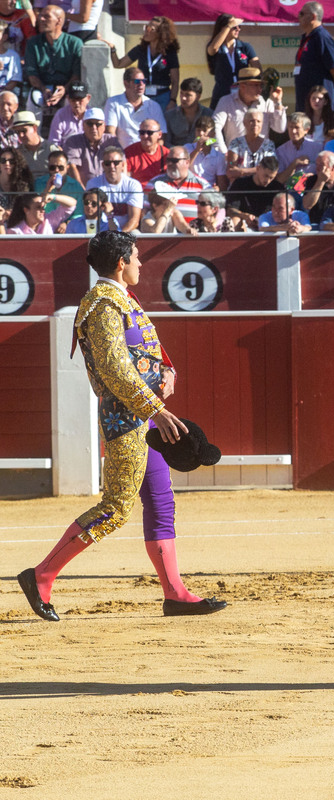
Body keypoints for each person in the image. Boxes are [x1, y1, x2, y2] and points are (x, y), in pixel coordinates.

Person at [16, 231, 224, 624]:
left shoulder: (122, 300)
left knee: (161, 501)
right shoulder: (102, 305)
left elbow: (147, 351)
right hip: (126, 421)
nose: (141, 263)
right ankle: (41, 576)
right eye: (137, 257)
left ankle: (175, 593)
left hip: (142, 416)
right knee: (115, 508)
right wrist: (155, 409)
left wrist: (169, 372)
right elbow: (114, 368)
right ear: (120, 263)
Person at [25, 5, 80, 131]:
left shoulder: (74, 43)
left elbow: (77, 74)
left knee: (71, 101)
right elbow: (32, 74)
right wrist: (43, 88)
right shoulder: (33, 43)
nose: (41, 19)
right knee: (35, 99)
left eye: (46, 16)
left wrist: (64, 89)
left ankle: (67, 141)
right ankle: (34, 137)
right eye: (41, 16)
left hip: (66, 87)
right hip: (42, 86)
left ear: (59, 20)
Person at [106, 16, 180, 112]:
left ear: (160, 33)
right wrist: (112, 49)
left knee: (162, 126)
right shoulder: (141, 49)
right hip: (144, 96)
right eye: (146, 27)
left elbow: (175, 81)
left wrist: (172, 101)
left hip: (163, 96)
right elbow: (119, 64)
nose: (146, 31)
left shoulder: (169, 52)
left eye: (150, 29)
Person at [211, 67, 287, 153]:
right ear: (243, 86)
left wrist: (278, 102)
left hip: (261, 160)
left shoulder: (267, 103)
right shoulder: (226, 102)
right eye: (256, 85)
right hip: (235, 159)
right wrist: (224, 152)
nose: (260, 89)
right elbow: (214, 127)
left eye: (261, 85)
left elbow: (280, 128)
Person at [295, 2, 334, 110]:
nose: (299, 16)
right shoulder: (307, 37)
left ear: (313, 16)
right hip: (304, 100)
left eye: (302, 13)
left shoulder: (322, 37)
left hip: (318, 104)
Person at [105, 67, 168, 150]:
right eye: (137, 81)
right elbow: (110, 132)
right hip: (123, 155)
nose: (141, 84)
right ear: (126, 83)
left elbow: (161, 135)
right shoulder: (113, 102)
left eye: (144, 81)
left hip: (148, 155)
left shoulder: (154, 106)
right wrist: (118, 156)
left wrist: (154, 155)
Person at [206, 14, 259, 107]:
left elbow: (258, 71)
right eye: (234, 27)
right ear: (223, 28)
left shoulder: (245, 47)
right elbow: (212, 50)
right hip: (221, 94)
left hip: (242, 94)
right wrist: (229, 26)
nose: (238, 29)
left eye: (239, 26)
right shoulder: (216, 47)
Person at [86, 146, 142, 231]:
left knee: (136, 234)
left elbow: (134, 220)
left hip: (126, 232)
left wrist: (118, 237)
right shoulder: (93, 184)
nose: (112, 166)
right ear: (103, 165)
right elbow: (90, 215)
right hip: (101, 231)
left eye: (116, 163)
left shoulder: (133, 185)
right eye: (108, 163)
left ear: (123, 165)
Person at [148, 145, 208, 225]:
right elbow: (144, 210)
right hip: (164, 234)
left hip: (193, 233)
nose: (169, 163)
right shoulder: (154, 183)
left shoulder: (202, 184)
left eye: (174, 160)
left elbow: (215, 209)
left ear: (187, 162)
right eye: (168, 160)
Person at [64, 107, 116, 186]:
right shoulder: (73, 141)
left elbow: (122, 164)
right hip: (82, 190)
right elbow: (72, 167)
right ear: (83, 125)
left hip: (108, 189)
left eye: (98, 124)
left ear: (104, 126)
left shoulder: (112, 141)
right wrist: (82, 192)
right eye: (90, 124)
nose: (94, 128)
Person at [226, 156, 283, 228]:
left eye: (271, 178)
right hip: (246, 225)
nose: (268, 181)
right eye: (266, 176)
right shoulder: (240, 183)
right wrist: (244, 216)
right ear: (258, 168)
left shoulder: (277, 188)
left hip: (270, 226)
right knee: (235, 220)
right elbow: (230, 210)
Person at [299, 150, 334, 225]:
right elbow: (307, 205)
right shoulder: (312, 180)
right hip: (317, 223)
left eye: (321, 165)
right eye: (317, 164)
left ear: (333, 167)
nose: (317, 168)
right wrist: (320, 182)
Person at [164, 77, 213, 147]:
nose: (183, 98)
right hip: (177, 155)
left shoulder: (209, 115)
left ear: (198, 96)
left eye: (188, 95)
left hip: (202, 154)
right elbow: (166, 143)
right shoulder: (169, 116)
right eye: (181, 93)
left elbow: (215, 140)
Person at [276, 112, 322, 183]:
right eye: (291, 127)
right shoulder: (281, 151)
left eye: (297, 127)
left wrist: (313, 177)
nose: (293, 131)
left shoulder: (317, 148)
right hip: (288, 191)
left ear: (306, 130)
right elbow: (279, 180)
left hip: (311, 189)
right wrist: (294, 164)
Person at [12, 110, 52, 180]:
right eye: (18, 132)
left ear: (34, 128)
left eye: (24, 131)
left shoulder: (51, 149)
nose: (21, 135)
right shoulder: (17, 154)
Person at [48, 81, 89, 147]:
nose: (77, 103)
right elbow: (54, 142)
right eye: (73, 100)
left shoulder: (93, 115)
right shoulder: (61, 115)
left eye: (80, 99)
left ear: (88, 98)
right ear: (68, 99)